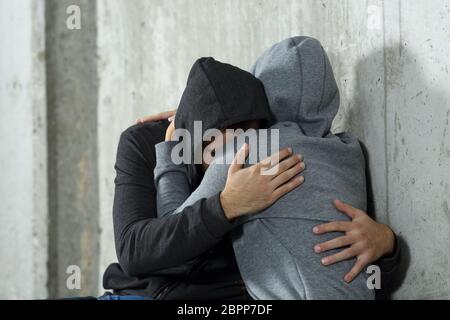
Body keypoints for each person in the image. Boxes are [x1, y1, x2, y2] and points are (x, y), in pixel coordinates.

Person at [102, 48, 400, 301]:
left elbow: (325, 266)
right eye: (211, 145)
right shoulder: (144, 143)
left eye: (246, 134)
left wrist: (386, 245)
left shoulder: (265, 155)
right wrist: (226, 204)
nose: (230, 154)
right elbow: (135, 251)